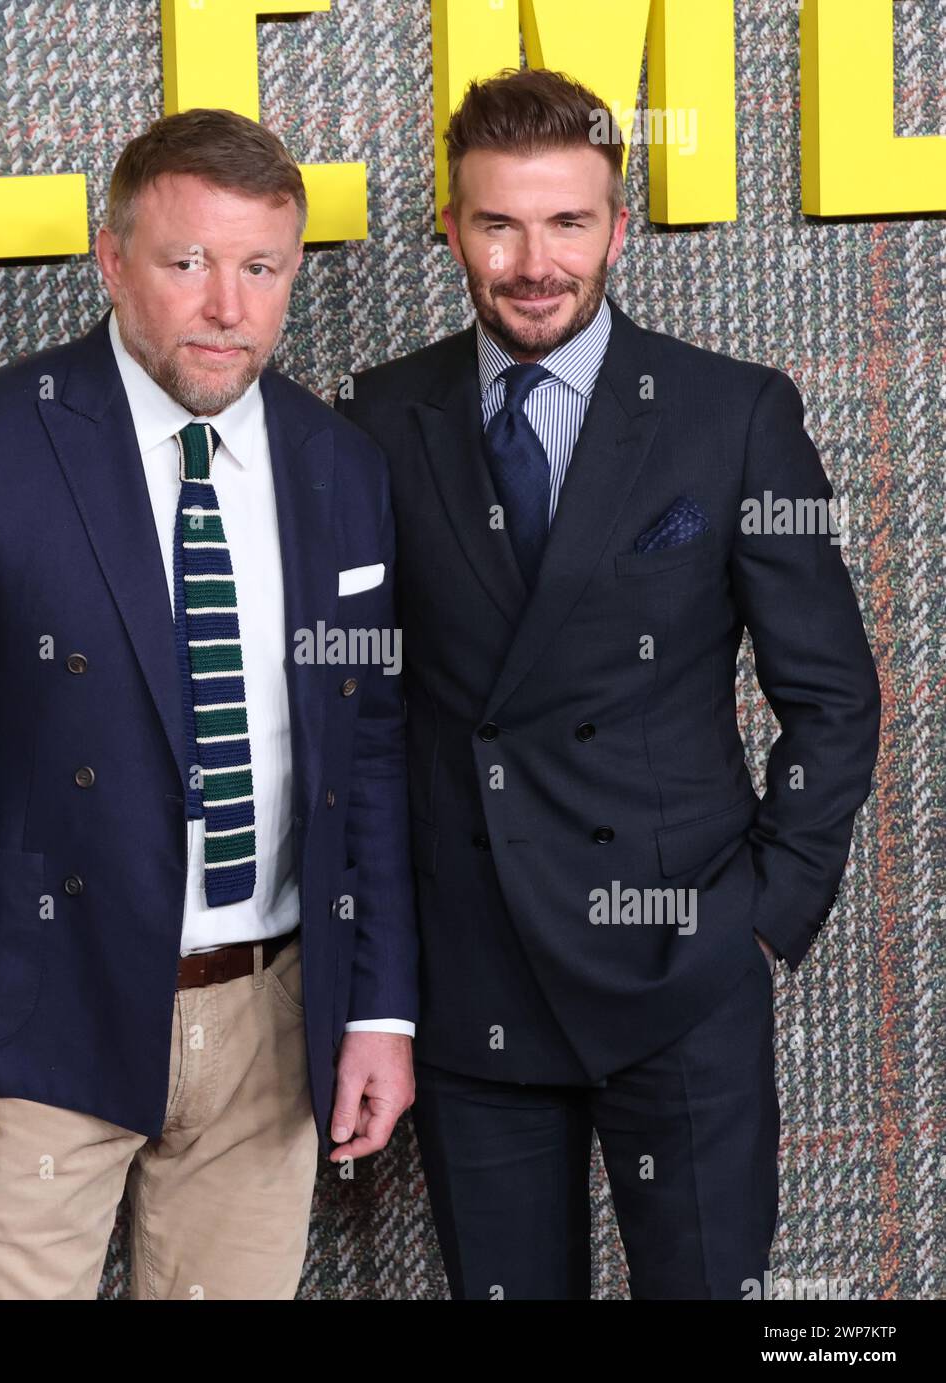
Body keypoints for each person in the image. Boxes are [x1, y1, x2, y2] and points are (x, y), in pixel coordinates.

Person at [0, 108, 418, 1301]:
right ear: (110, 258)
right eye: (187, 262)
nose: (226, 306)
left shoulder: (336, 463)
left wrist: (384, 1009)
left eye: (260, 268)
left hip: (276, 1017)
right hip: (32, 1021)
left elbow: (376, 749)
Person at [336, 67, 880, 1299]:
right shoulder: (378, 417)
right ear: (452, 225)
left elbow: (833, 692)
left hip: (681, 970)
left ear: (617, 227)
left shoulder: (729, 415)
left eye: (568, 222)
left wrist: (761, 919)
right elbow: (357, 707)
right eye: (499, 223)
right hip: (473, 975)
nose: (535, 261)